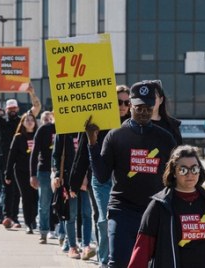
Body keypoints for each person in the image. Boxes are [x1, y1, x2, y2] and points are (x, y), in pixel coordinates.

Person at [86, 80, 177, 267]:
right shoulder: (116, 135)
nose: (143, 111)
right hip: (123, 210)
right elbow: (102, 175)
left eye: (148, 107)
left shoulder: (165, 138)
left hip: (155, 211)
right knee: (118, 262)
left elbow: (175, 177)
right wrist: (92, 143)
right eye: (138, 107)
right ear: (130, 106)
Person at [129, 145, 205, 268]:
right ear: (174, 172)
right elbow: (142, 248)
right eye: (183, 170)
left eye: (194, 169)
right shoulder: (159, 205)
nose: (190, 174)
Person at [69, 84, 131, 267]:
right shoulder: (97, 122)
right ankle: (105, 261)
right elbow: (81, 152)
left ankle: (120, 257)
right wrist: (75, 181)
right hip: (101, 178)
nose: (123, 106)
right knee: (104, 219)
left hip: (125, 180)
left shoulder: (133, 124)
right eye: (119, 101)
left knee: (123, 221)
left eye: (127, 102)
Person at [0, 83, 41, 228]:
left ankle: (15, 218)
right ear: (6, 110)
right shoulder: (0, 123)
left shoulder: (23, 122)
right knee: (8, 190)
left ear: (18, 109)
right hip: (5, 162)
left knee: (18, 192)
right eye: (10, 109)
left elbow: (37, 108)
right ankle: (8, 216)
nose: (12, 111)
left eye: (14, 108)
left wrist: (32, 93)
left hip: (22, 162)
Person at [52, 132, 95, 260]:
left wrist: (87, 176)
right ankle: (72, 246)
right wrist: (57, 175)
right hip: (69, 180)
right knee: (71, 214)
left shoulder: (87, 130)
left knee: (87, 213)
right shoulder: (63, 133)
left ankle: (86, 245)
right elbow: (56, 156)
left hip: (86, 179)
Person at [5, 111, 39, 232]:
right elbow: (11, 156)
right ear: (23, 123)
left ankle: (34, 218)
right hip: (21, 171)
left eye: (32, 120)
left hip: (36, 171)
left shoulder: (38, 135)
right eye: (27, 120)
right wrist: (8, 173)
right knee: (26, 196)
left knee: (35, 196)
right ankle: (28, 222)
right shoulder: (18, 137)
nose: (30, 122)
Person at [30, 111, 56, 243]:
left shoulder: (67, 129)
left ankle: (61, 233)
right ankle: (44, 232)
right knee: (44, 204)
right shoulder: (43, 129)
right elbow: (34, 153)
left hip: (62, 172)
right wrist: (33, 175)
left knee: (62, 204)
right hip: (44, 171)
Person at [149, 80, 183, 145]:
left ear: (161, 100)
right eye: (147, 98)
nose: (150, 101)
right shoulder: (135, 124)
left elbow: (178, 151)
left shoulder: (172, 126)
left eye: (153, 98)